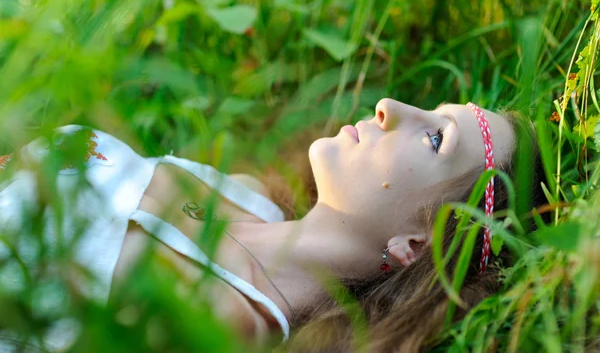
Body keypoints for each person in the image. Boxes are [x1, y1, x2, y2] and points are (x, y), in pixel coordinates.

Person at [0, 98, 547, 350]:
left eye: (435, 139)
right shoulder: (249, 197)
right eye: (430, 107)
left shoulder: (224, 322)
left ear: (413, 244)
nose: (389, 107)